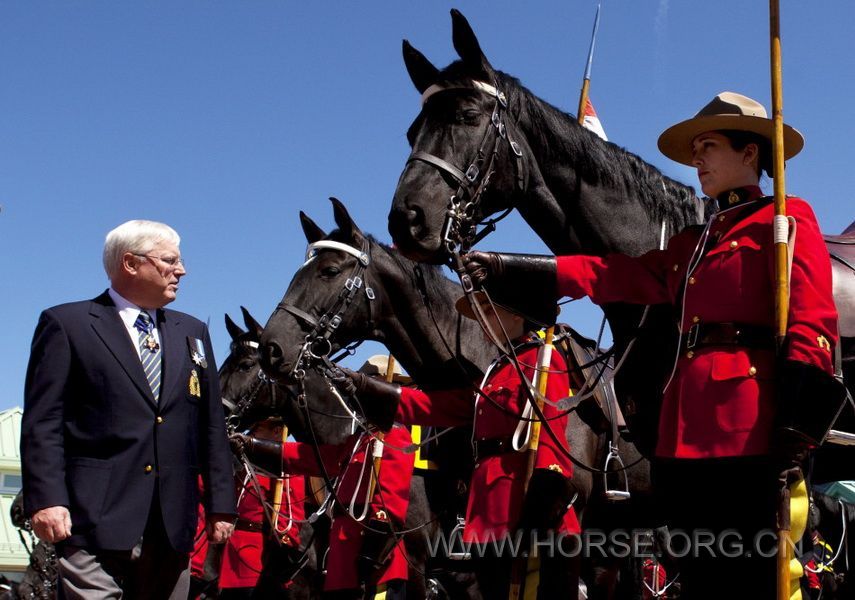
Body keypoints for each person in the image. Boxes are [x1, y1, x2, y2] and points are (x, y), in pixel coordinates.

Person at [460, 92, 843, 598]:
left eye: (709, 146)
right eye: (696, 150)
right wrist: (523, 268)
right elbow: (617, 274)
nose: (698, 159)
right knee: (699, 572)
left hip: (748, 429)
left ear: (749, 153)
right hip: (682, 430)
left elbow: (813, 320)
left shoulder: (786, 221)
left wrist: (798, 425)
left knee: (748, 575)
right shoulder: (693, 242)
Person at [21, 219, 236, 599]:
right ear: (131, 263)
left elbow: (211, 426)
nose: (181, 270)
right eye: (169, 260)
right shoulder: (67, 324)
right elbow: (44, 422)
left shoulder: (193, 332)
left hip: (172, 522)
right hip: (91, 518)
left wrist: (221, 504)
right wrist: (47, 499)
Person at [327, 293, 581, 599]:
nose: (483, 319)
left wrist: (544, 499)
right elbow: (442, 406)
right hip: (489, 504)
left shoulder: (543, 358)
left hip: (524, 501)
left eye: (490, 309)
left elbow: (551, 430)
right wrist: (367, 387)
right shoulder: (496, 368)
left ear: (516, 313)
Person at [231, 355, 415, 600]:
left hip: (373, 558)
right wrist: (255, 446)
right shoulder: (358, 439)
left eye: (370, 386)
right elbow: (312, 457)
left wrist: (372, 555)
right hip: (343, 556)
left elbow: (389, 506)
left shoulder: (394, 436)